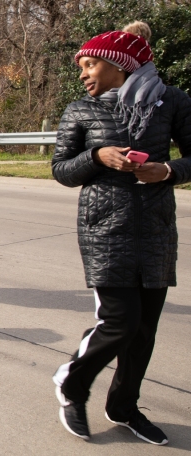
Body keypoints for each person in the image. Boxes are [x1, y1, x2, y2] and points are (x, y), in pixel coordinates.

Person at [52, 21, 191, 445]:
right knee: (120, 321)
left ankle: (123, 407)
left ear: (117, 64)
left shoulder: (172, 102)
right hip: (104, 227)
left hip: (155, 227)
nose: (83, 73)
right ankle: (71, 385)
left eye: (89, 64)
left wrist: (166, 171)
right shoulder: (80, 110)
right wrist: (97, 156)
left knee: (144, 329)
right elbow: (61, 170)